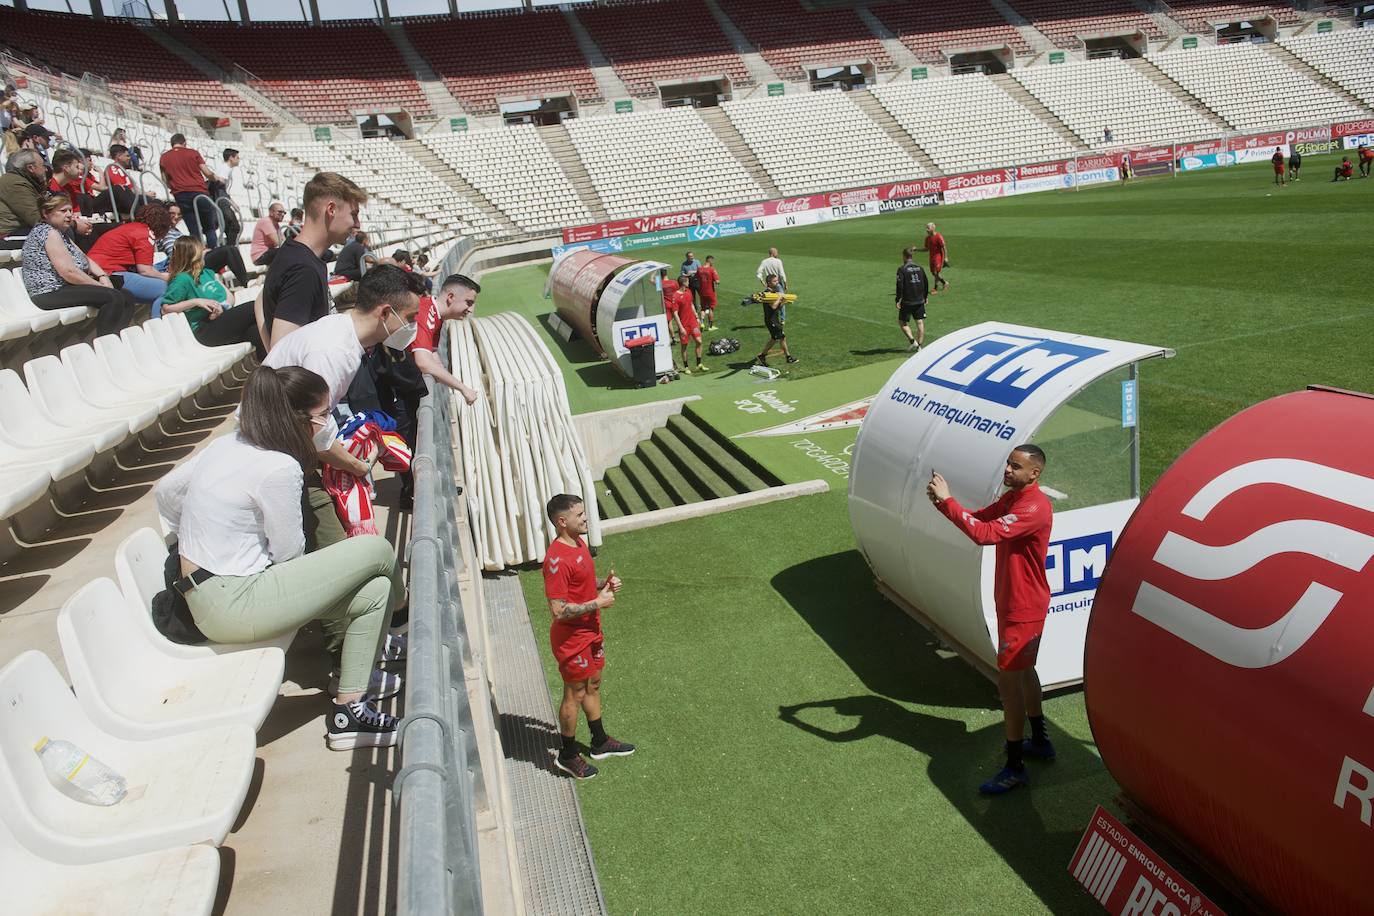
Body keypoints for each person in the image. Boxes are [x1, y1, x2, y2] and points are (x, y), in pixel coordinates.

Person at [155, 366, 406, 750]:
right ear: (298, 420)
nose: (328, 423)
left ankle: (348, 711)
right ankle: (403, 611)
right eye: (323, 414)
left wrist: (189, 538)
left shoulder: (228, 443)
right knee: (377, 550)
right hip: (234, 604)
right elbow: (290, 554)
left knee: (373, 590)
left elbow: (167, 491)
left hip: (208, 593)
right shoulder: (280, 467)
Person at [261, 264, 423, 551]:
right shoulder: (334, 352)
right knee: (339, 548)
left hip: (285, 448)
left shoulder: (339, 335)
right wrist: (357, 466)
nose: (412, 328)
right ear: (385, 313)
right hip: (272, 455)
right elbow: (316, 434)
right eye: (410, 318)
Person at [927, 445, 1055, 795]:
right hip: (1017, 605)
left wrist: (946, 502)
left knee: (1009, 688)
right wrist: (944, 504)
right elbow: (980, 519)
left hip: (1022, 610)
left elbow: (984, 535)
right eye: (1009, 464)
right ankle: (1041, 742)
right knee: (1025, 673)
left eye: (1017, 466)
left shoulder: (1033, 507)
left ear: (1035, 474)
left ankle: (1015, 768)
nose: (1008, 470)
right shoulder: (1014, 500)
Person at [543, 493, 633, 779]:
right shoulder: (555, 559)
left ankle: (600, 741)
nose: (585, 519)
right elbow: (558, 610)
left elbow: (580, 584)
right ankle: (567, 755)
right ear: (562, 521)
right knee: (575, 692)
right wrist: (598, 602)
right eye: (579, 515)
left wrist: (602, 584)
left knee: (593, 683)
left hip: (591, 631)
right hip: (572, 639)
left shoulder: (579, 543)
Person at [257, 171, 367, 351]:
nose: (357, 224)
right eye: (354, 214)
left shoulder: (296, 255)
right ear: (331, 210)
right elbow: (285, 358)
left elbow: (260, 301)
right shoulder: (303, 269)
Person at [21, 194, 136, 335]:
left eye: (70, 210)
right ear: (46, 213)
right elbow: (69, 272)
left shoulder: (60, 233)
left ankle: (118, 338)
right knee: (112, 297)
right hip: (49, 292)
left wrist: (102, 276)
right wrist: (101, 286)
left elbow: (85, 258)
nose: (69, 215)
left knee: (127, 295)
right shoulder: (48, 233)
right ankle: (106, 344)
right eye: (63, 211)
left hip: (65, 287)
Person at [161, 236, 264, 357]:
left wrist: (219, 307)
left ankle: (274, 371)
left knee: (256, 332)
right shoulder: (182, 279)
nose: (206, 252)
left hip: (219, 320)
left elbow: (230, 298)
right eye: (202, 251)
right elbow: (165, 309)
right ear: (193, 256)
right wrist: (196, 301)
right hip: (203, 331)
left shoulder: (206, 272)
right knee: (255, 306)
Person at [87, 200, 174, 311]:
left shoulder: (131, 228)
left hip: (100, 271)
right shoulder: (144, 234)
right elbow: (145, 270)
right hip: (109, 274)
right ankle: (159, 325)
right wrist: (164, 277)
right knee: (168, 289)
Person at [160, 201, 250, 287]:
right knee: (229, 250)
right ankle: (245, 283)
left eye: (179, 214)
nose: (176, 217)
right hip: (188, 264)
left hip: (195, 260)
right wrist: (199, 253)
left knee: (230, 250)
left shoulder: (176, 231)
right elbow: (175, 253)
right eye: (172, 213)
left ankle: (244, 282)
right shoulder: (164, 232)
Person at [159, 133, 218, 247]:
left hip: (181, 194)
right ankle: (214, 253)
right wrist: (215, 178)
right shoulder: (193, 153)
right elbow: (207, 172)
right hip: (199, 192)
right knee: (209, 227)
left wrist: (174, 186)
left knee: (193, 230)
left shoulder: (164, 157)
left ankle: (198, 256)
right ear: (184, 142)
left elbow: (164, 179)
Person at [0, 148, 49, 248]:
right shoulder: (16, 183)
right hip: (8, 234)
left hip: (20, 230)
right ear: (31, 168)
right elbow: (35, 218)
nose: (46, 169)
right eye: (42, 165)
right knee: (55, 235)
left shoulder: (24, 181)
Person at [749, 274, 796, 368]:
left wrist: (784, 301)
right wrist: (779, 298)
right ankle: (764, 356)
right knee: (777, 338)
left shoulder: (773, 292)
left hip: (775, 319)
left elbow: (777, 306)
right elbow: (773, 306)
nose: (777, 282)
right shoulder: (767, 294)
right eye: (775, 281)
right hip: (771, 320)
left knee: (780, 337)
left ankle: (787, 357)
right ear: (769, 283)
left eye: (777, 280)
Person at [895, 247, 929, 352]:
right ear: (912, 256)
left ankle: (912, 341)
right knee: (920, 323)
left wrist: (898, 300)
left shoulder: (902, 269)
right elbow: (926, 282)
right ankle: (919, 346)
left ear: (904, 256)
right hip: (919, 300)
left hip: (907, 301)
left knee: (902, 322)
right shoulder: (920, 268)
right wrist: (925, 296)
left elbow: (900, 286)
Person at [671, 274, 706, 373]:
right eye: (687, 281)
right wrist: (680, 327)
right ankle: (686, 367)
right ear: (684, 283)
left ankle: (699, 363)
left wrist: (696, 317)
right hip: (684, 325)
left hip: (693, 322)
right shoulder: (675, 296)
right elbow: (675, 313)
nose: (689, 282)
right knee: (684, 345)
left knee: (699, 341)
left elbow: (691, 304)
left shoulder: (689, 291)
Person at [212, 148, 242, 245]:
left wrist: (233, 203)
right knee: (234, 226)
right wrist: (230, 204)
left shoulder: (224, 168)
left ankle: (229, 250)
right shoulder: (225, 168)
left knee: (230, 228)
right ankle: (230, 250)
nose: (239, 159)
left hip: (222, 200)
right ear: (231, 158)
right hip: (222, 202)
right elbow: (220, 186)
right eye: (237, 157)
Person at [756, 247, 787, 320]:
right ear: (773, 253)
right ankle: (782, 319)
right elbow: (782, 274)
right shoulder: (778, 261)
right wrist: (785, 284)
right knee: (781, 300)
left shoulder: (764, 261)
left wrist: (762, 281)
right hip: (777, 284)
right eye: (776, 252)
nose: (777, 254)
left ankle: (772, 318)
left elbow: (759, 272)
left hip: (769, 284)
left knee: (771, 302)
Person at [251, 201, 285, 267]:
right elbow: (279, 242)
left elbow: (284, 241)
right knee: (285, 252)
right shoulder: (266, 222)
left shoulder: (276, 225)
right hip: (260, 255)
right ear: (271, 212)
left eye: (284, 213)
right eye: (280, 212)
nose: (283, 214)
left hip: (268, 252)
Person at [923, 223, 949, 292]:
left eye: (928, 229)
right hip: (931, 257)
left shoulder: (938, 236)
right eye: (927, 229)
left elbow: (944, 248)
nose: (927, 230)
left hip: (938, 256)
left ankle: (935, 288)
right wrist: (917, 250)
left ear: (933, 228)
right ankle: (945, 283)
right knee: (934, 273)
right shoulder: (927, 238)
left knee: (936, 272)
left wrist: (946, 257)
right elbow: (926, 249)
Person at [697, 254, 720, 331]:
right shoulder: (712, 269)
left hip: (702, 292)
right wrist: (716, 282)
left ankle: (702, 323)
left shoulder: (699, 269)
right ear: (710, 260)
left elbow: (697, 277)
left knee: (703, 308)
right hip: (710, 292)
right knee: (711, 308)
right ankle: (710, 326)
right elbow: (717, 281)